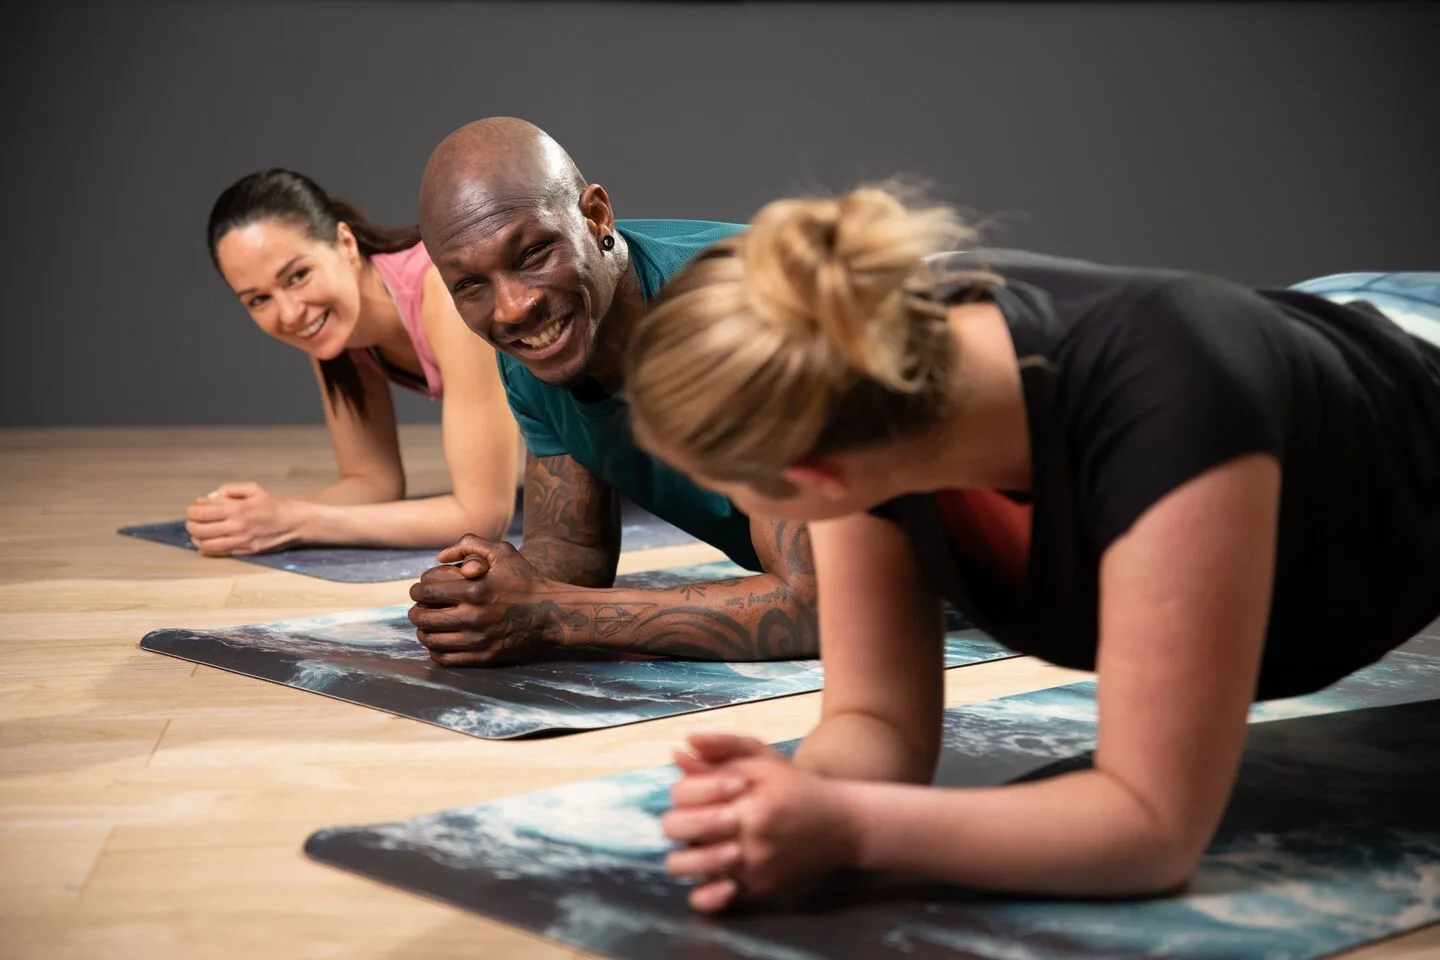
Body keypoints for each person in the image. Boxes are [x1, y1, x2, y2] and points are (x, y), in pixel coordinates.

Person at [621, 184, 1440, 912]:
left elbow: (1150, 832)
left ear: (814, 475)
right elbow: (878, 723)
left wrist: (849, 829)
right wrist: (783, 802)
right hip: (1318, 327)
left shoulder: (1175, 406)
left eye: (734, 487)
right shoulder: (856, 395)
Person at [404, 117, 818, 665]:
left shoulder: (745, 312)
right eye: (471, 284)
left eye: (531, 255)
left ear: (596, 216)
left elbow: (815, 606)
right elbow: (574, 549)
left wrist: (552, 614)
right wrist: (492, 594)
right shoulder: (537, 354)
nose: (512, 308)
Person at [187, 169, 520, 556]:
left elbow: (483, 517)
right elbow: (373, 481)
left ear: (345, 244)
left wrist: (297, 522)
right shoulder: (333, 333)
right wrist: (265, 513)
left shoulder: (446, 295)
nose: (291, 314)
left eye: (298, 275)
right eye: (258, 300)